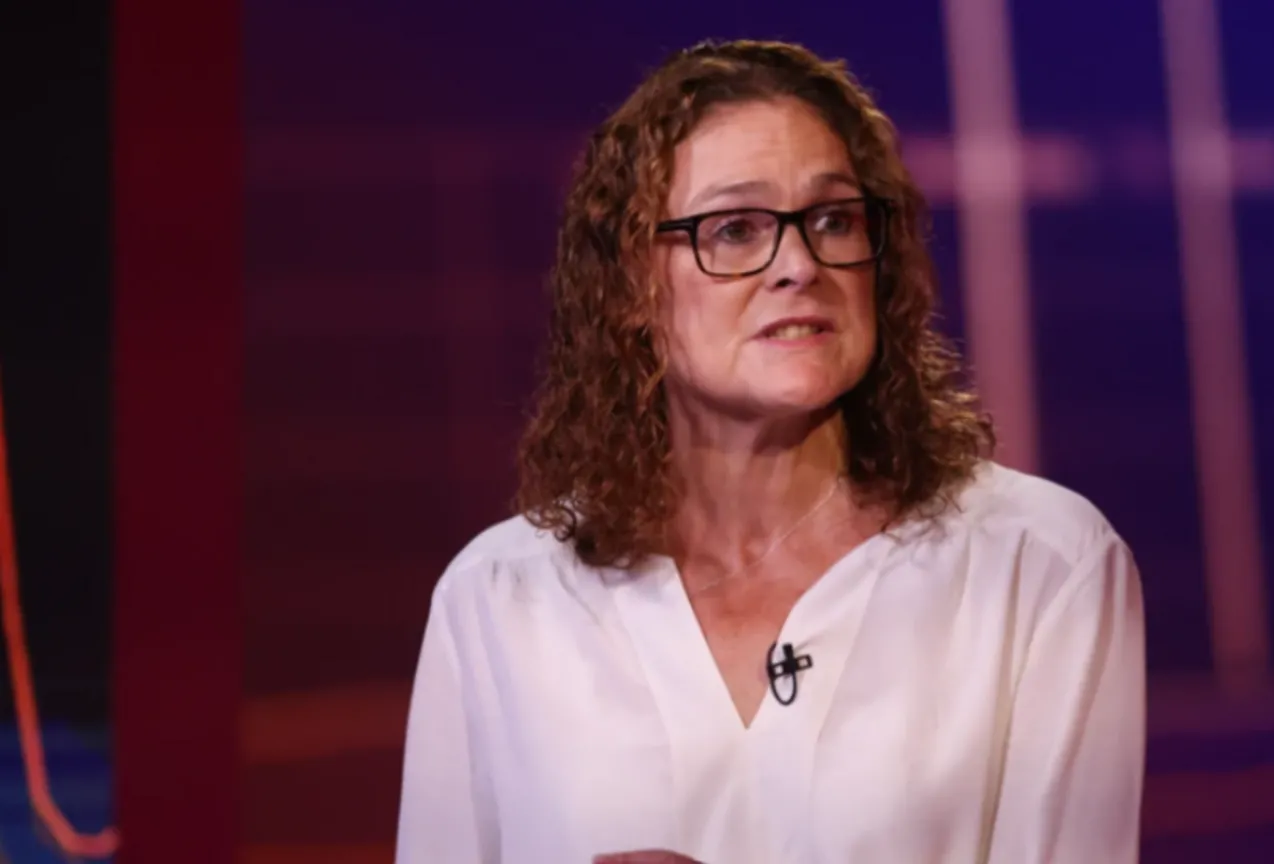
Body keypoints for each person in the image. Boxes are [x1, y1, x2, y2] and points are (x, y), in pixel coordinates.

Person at [396, 39, 1144, 864]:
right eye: (736, 229)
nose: (799, 265)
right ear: (631, 288)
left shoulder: (1037, 564)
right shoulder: (501, 600)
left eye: (832, 220)